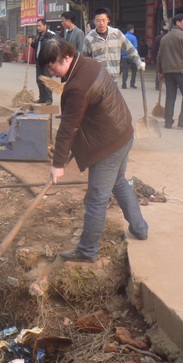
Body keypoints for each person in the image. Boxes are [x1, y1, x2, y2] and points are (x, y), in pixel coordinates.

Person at [40, 38, 148, 262]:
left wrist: (58, 164)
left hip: (108, 143)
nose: (53, 73)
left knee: (96, 199)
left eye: (53, 67)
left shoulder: (77, 86)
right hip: (123, 132)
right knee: (118, 182)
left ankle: (87, 251)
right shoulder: (89, 63)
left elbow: (68, 127)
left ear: (67, 58)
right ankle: (140, 228)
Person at [156, 14, 183, 129]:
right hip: (181, 71)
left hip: (168, 72)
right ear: (178, 23)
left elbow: (159, 56)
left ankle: (168, 122)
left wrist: (160, 71)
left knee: (170, 96)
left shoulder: (165, 38)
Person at [82, 8, 145, 83]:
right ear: (94, 21)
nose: (101, 23)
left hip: (113, 79)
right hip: (97, 80)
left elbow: (130, 49)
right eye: (98, 21)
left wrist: (139, 62)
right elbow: (85, 60)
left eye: (103, 20)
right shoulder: (89, 38)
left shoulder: (117, 34)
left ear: (108, 20)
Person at [34, 19, 57, 104]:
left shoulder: (51, 35)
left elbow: (55, 47)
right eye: (37, 26)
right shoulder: (39, 36)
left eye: (40, 26)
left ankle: (49, 99)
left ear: (45, 25)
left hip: (47, 62)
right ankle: (42, 98)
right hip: (39, 62)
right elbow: (37, 47)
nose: (38, 28)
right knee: (39, 80)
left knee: (47, 80)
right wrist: (32, 43)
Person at [122, 24, 139, 89]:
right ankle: (132, 84)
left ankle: (124, 84)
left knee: (125, 70)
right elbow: (135, 47)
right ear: (131, 29)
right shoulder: (133, 37)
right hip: (132, 56)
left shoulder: (123, 36)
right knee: (134, 70)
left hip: (124, 56)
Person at [152, 25, 169, 90]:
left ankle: (158, 85)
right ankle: (169, 85)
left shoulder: (157, 38)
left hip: (159, 57)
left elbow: (154, 49)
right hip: (168, 57)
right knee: (167, 72)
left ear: (161, 31)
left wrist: (154, 58)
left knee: (158, 71)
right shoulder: (169, 38)